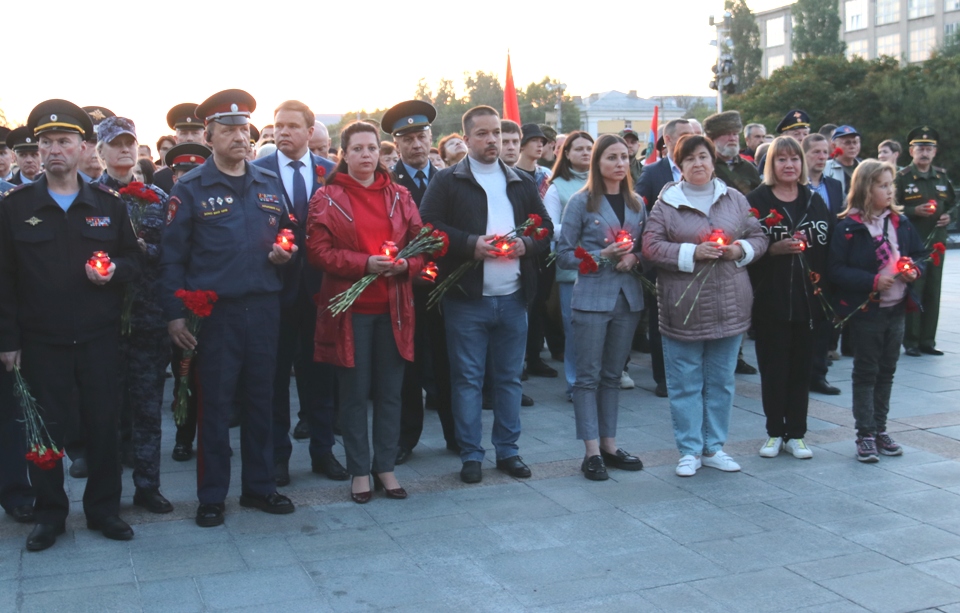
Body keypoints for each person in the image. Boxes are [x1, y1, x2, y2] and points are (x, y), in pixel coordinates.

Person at [0, 99, 142, 550]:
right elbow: (2, 279)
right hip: (41, 342)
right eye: (46, 142)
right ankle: (50, 514)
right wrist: (8, 340)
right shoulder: (15, 207)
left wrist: (113, 270)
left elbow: (134, 262)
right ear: (38, 151)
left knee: (103, 426)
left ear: (83, 148)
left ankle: (104, 511)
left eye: (64, 141)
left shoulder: (107, 204)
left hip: (98, 338)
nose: (54, 149)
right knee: (45, 431)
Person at [160, 89, 297, 527]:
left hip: (263, 308)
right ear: (209, 135)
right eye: (230, 130)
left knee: (263, 399)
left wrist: (285, 251)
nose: (241, 137)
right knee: (215, 406)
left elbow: (288, 232)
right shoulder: (190, 187)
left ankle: (259, 487)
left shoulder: (268, 183)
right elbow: (172, 257)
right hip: (214, 315)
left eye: (245, 130)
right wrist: (174, 314)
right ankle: (212, 495)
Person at [420, 105, 553, 484]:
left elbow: (544, 227)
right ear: (465, 140)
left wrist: (526, 245)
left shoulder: (519, 181)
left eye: (496, 132)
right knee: (467, 380)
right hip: (466, 299)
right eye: (483, 133)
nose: (492, 139)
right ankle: (471, 454)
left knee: (510, 379)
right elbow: (427, 226)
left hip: (512, 298)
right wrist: (470, 244)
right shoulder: (448, 181)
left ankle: (508, 451)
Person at [306, 120, 424, 503]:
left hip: (394, 309)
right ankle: (359, 469)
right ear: (343, 154)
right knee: (354, 394)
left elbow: (423, 247)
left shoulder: (401, 196)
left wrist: (407, 265)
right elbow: (318, 252)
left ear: (380, 151)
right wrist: (363, 263)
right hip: (351, 310)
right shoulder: (327, 197)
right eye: (356, 149)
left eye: (371, 148)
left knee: (391, 393)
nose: (365, 155)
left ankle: (384, 466)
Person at [642, 134, 767, 477]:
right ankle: (689, 449)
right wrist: (691, 252)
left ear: (713, 162)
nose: (698, 164)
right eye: (689, 159)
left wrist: (739, 250)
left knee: (721, 381)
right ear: (679, 166)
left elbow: (758, 237)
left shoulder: (735, 199)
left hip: (729, 303)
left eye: (703, 157)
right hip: (682, 307)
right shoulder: (667, 202)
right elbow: (650, 247)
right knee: (685, 381)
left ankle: (714, 447)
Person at [251, 100, 346, 487]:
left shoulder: (330, 172)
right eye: (277, 127)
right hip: (273, 290)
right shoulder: (256, 172)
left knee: (319, 375)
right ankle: (277, 456)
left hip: (320, 290)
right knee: (274, 379)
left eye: (292, 126)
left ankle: (323, 450)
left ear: (310, 132)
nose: (282, 133)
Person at [94, 117, 174, 513]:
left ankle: (148, 485)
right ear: (101, 151)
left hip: (148, 316)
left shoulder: (157, 197)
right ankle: (107, 492)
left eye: (130, 142)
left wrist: (145, 249)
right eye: (115, 144)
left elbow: (172, 253)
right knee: (105, 409)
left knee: (146, 407)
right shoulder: (88, 197)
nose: (124, 149)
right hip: (104, 319)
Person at [557, 134, 646, 480]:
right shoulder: (582, 202)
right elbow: (563, 254)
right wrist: (600, 256)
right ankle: (591, 451)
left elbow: (647, 247)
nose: (620, 164)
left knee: (612, 375)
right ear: (598, 163)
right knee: (588, 376)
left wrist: (635, 257)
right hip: (592, 298)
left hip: (627, 298)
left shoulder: (638, 203)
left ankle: (610, 445)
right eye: (612, 157)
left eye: (624, 157)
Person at [829, 159, 927, 461]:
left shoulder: (900, 222)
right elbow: (835, 269)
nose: (889, 190)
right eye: (882, 185)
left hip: (896, 307)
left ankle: (881, 428)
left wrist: (913, 270)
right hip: (868, 310)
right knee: (866, 371)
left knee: (887, 370)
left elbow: (919, 254)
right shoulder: (848, 226)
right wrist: (871, 280)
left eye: (891, 185)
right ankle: (865, 433)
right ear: (865, 188)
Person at [381, 100, 458, 466]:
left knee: (447, 363)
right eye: (407, 138)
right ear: (396, 145)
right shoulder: (386, 184)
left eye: (421, 135)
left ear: (431, 138)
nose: (415, 144)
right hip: (404, 287)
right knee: (407, 367)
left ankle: (455, 433)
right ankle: (405, 437)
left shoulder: (449, 178)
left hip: (445, 287)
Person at [747, 136, 833, 460]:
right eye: (781, 159)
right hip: (771, 300)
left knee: (800, 370)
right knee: (774, 369)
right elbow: (745, 249)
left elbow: (828, 245)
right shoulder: (756, 200)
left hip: (809, 301)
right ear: (771, 164)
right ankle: (773, 432)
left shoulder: (814, 200)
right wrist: (772, 250)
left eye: (794, 159)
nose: (789, 165)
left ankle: (797, 433)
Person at [636, 118, 695, 397]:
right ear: (668, 141)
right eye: (684, 135)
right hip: (661, 260)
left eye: (694, 135)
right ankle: (663, 376)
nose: (691, 140)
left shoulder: (703, 169)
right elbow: (641, 217)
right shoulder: (652, 173)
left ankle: (690, 373)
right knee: (662, 320)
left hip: (696, 260)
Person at [896, 126, 955, 357]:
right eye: (919, 147)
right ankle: (910, 341)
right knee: (914, 289)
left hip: (937, 244)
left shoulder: (940, 176)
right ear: (911, 151)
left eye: (929, 148)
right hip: (912, 243)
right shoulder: (902, 178)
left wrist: (949, 216)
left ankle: (927, 340)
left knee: (933, 290)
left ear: (935, 151)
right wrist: (912, 210)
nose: (924, 152)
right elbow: (892, 206)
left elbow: (953, 203)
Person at [543, 131, 594, 399]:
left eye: (590, 148)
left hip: (605, 263)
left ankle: (598, 379)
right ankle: (575, 383)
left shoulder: (605, 181)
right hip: (571, 268)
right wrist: (585, 232)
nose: (586, 153)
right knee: (575, 328)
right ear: (567, 154)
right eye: (580, 149)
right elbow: (550, 228)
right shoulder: (557, 186)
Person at [803, 133, 845, 394]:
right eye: (815, 152)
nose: (821, 157)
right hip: (803, 260)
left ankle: (819, 373)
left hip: (828, 261)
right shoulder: (796, 186)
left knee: (823, 321)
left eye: (824, 152)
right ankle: (800, 372)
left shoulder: (834, 186)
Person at [153, 103, 204, 193]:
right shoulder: (160, 178)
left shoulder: (216, 171)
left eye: (195, 133)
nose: (189, 138)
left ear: (205, 137)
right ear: (175, 139)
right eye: (184, 133)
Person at [824, 125, 862, 195]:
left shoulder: (864, 168)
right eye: (847, 142)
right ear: (834, 146)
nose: (852, 146)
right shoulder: (825, 168)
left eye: (855, 142)